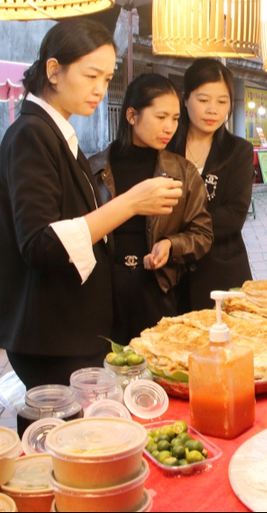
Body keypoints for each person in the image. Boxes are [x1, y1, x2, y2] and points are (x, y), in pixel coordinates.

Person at [0, 19, 183, 390]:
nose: (100, 89)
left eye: (107, 79)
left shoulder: (57, 132)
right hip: (51, 334)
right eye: (91, 75)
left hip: (68, 328)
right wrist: (129, 204)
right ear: (53, 71)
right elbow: (39, 242)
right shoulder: (32, 134)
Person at [90, 74, 212, 341]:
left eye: (175, 119)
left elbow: (203, 234)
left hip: (157, 288)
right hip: (102, 290)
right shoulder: (94, 169)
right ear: (132, 115)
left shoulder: (182, 171)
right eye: (161, 117)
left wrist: (171, 244)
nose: (170, 127)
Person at [169, 58, 255, 311]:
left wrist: (176, 230)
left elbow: (234, 215)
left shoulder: (239, 150)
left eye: (222, 101)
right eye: (203, 100)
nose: (213, 109)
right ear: (185, 99)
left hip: (222, 274)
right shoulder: (166, 147)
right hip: (171, 274)